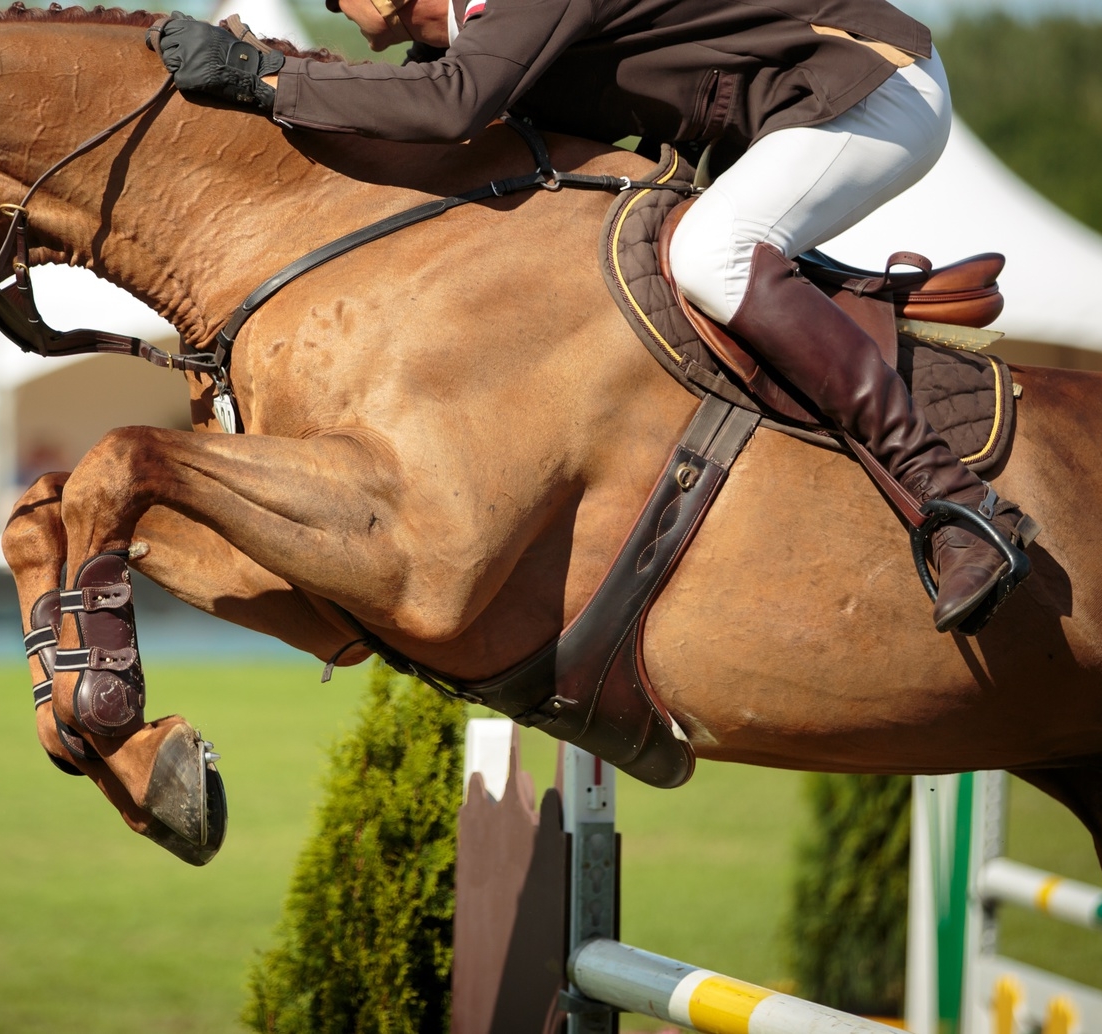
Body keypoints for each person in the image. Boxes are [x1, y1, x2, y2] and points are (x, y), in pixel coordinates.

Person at [152, 0, 1036, 633]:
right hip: (785, 116)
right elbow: (418, 105)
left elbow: (450, 107)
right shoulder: (477, 33)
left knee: (712, 255)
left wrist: (264, 77)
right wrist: (267, 77)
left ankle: (956, 504)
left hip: (870, 89)